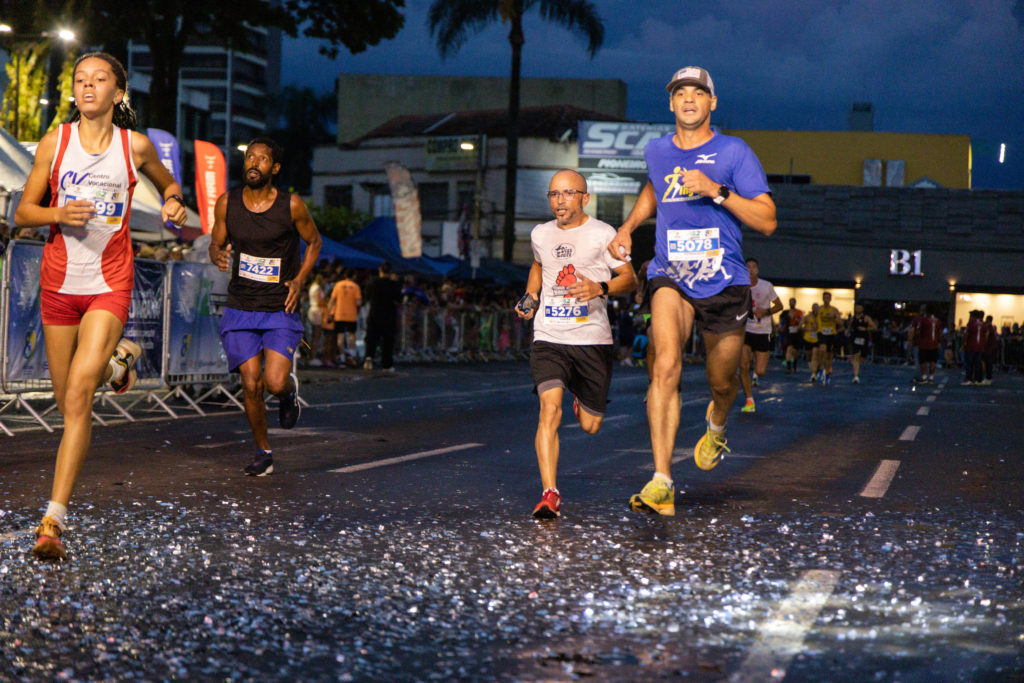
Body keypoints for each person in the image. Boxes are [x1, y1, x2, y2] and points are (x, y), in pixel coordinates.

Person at [15, 52, 187, 560]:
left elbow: (168, 184)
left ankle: (53, 520)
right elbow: (22, 210)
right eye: (80, 80)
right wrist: (56, 210)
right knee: (66, 398)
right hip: (59, 284)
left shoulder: (134, 147)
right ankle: (119, 362)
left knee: (80, 392)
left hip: (109, 282)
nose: (88, 86)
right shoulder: (56, 141)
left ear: (118, 92)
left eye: (99, 80)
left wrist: (175, 199)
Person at [607, 66, 777, 516]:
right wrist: (628, 225)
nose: (688, 99)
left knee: (722, 382)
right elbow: (654, 187)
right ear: (670, 103)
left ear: (711, 103)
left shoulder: (734, 152)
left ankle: (717, 424)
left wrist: (717, 191)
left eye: (698, 93)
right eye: (680, 92)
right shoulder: (657, 151)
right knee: (665, 365)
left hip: (725, 282)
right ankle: (662, 478)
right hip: (671, 274)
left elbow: (767, 219)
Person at [517, 169, 635, 518]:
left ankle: (580, 398)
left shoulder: (603, 234)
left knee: (591, 425)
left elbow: (630, 278)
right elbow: (539, 265)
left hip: (592, 340)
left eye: (568, 193)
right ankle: (550, 493)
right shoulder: (540, 233)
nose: (559, 201)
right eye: (554, 194)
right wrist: (531, 295)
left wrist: (601, 288)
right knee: (547, 409)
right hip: (549, 335)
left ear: (585, 197)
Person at [209, 137, 322, 476]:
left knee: (273, 382)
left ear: (274, 168)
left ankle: (288, 394)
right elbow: (216, 244)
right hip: (241, 304)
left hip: (278, 307)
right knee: (250, 383)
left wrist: (300, 280)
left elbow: (314, 242)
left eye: (262, 159)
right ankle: (263, 451)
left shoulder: (292, 206)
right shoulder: (227, 203)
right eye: (249, 157)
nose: (253, 163)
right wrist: (216, 253)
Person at [739, 258, 782, 413]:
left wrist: (766, 312)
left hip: (762, 331)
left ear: (758, 270)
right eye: (748, 267)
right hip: (746, 330)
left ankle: (756, 362)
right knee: (743, 366)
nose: (750, 270)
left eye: (753, 267)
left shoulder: (766, 286)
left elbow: (779, 306)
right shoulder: (740, 287)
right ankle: (749, 400)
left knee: (760, 371)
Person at [363, 261, 402, 371]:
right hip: (389, 314)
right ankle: (387, 364)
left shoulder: (372, 283)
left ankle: (368, 357)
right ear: (390, 272)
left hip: (374, 313)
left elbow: (366, 296)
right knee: (387, 341)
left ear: (380, 270)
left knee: (371, 337)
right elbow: (399, 299)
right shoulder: (393, 284)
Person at [329, 268, 362, 365]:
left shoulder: (338, 285)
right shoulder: (355, 287)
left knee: (340, 337)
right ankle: (351, 355)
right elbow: (358, 302)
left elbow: (332, 300)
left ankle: (342, 356)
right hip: (352, 315)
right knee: (352, 335)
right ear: (354, 276)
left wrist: (330, 313)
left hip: (339, 314)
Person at [909, 304, 942, 383]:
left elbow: (916, 331)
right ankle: (931, 377)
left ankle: (923, 377)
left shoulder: (922, 320)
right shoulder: (937, 321)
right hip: (934, 343)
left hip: (922, 343)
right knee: (932, 361)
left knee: (921, 361)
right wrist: (939, 342)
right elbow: (940, 333)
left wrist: (910, 340)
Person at [815, 291, 841, 384]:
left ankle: (828, 373)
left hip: (831, 333)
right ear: (822, 299)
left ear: (830, 299)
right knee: (822, 349)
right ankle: (821, 367)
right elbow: (815, 320)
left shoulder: (834, 310)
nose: (826, 300)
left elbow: (840, 322)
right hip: (821, 332)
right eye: (824, 298)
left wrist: (835, 317)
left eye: (828, 298)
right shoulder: (819, 309)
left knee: (829, 355)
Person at [849, 303, 878, 384]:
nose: (858, 309)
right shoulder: (853, 318)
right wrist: (847, 331)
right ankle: (856, 376)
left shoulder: (866, 318)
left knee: (863, 358)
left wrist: (865, 329)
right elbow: (849, 327)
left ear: (862, 309)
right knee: (856, 357)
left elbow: (874, 327)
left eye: (859, 308)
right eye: (857, 308)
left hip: (864, 339)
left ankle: (858, 368)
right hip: (855, 339)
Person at [778, 297, 803, 374]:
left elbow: (801, 322)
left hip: (797, 333)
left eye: (793, 302)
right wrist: (781, 327)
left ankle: (794, 366)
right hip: (788, 333)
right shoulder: (785, 312)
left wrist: (795, 318)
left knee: (795, 352)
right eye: (790, 302)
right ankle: (788, 367)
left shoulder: (799, 312)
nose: (792, 304)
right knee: (788, 349)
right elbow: (781, 320)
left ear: (795, 303)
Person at [306, 273, 326, 366]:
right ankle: (313, 356)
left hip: (313, 309)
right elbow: (319, 301)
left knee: (315, 335)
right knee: (316, 336)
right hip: (316, 311)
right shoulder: (317, 288)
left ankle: (313, 356)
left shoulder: (313, 287)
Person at [962, 310, 985, 385]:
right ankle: (977, 379)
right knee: (977, 363)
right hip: (980, 346)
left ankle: (969, 378)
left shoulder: (971, 323)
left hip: (971, 346)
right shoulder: (982, 324)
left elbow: (966, 333)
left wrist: (964, 343)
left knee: (969, 363)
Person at [803, 302, 821, 381]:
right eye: (814, 308)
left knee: (815, 354)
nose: (815, 309)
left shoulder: (820, 317)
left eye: (817, 308)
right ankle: (814, 369)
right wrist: (807, 329)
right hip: (808, 338)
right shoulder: (807, 317)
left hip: (817, 339)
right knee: (808, 356)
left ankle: (814, 373)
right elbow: (800, 327)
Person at [982, 314, 998, 385]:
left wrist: (984, 342)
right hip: (991, 348)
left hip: (988, 348)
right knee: (988, 363)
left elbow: (987, 336)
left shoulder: (989, 327)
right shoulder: (992, 328)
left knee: (987, 363)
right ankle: (988, 378)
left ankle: (988, 378)